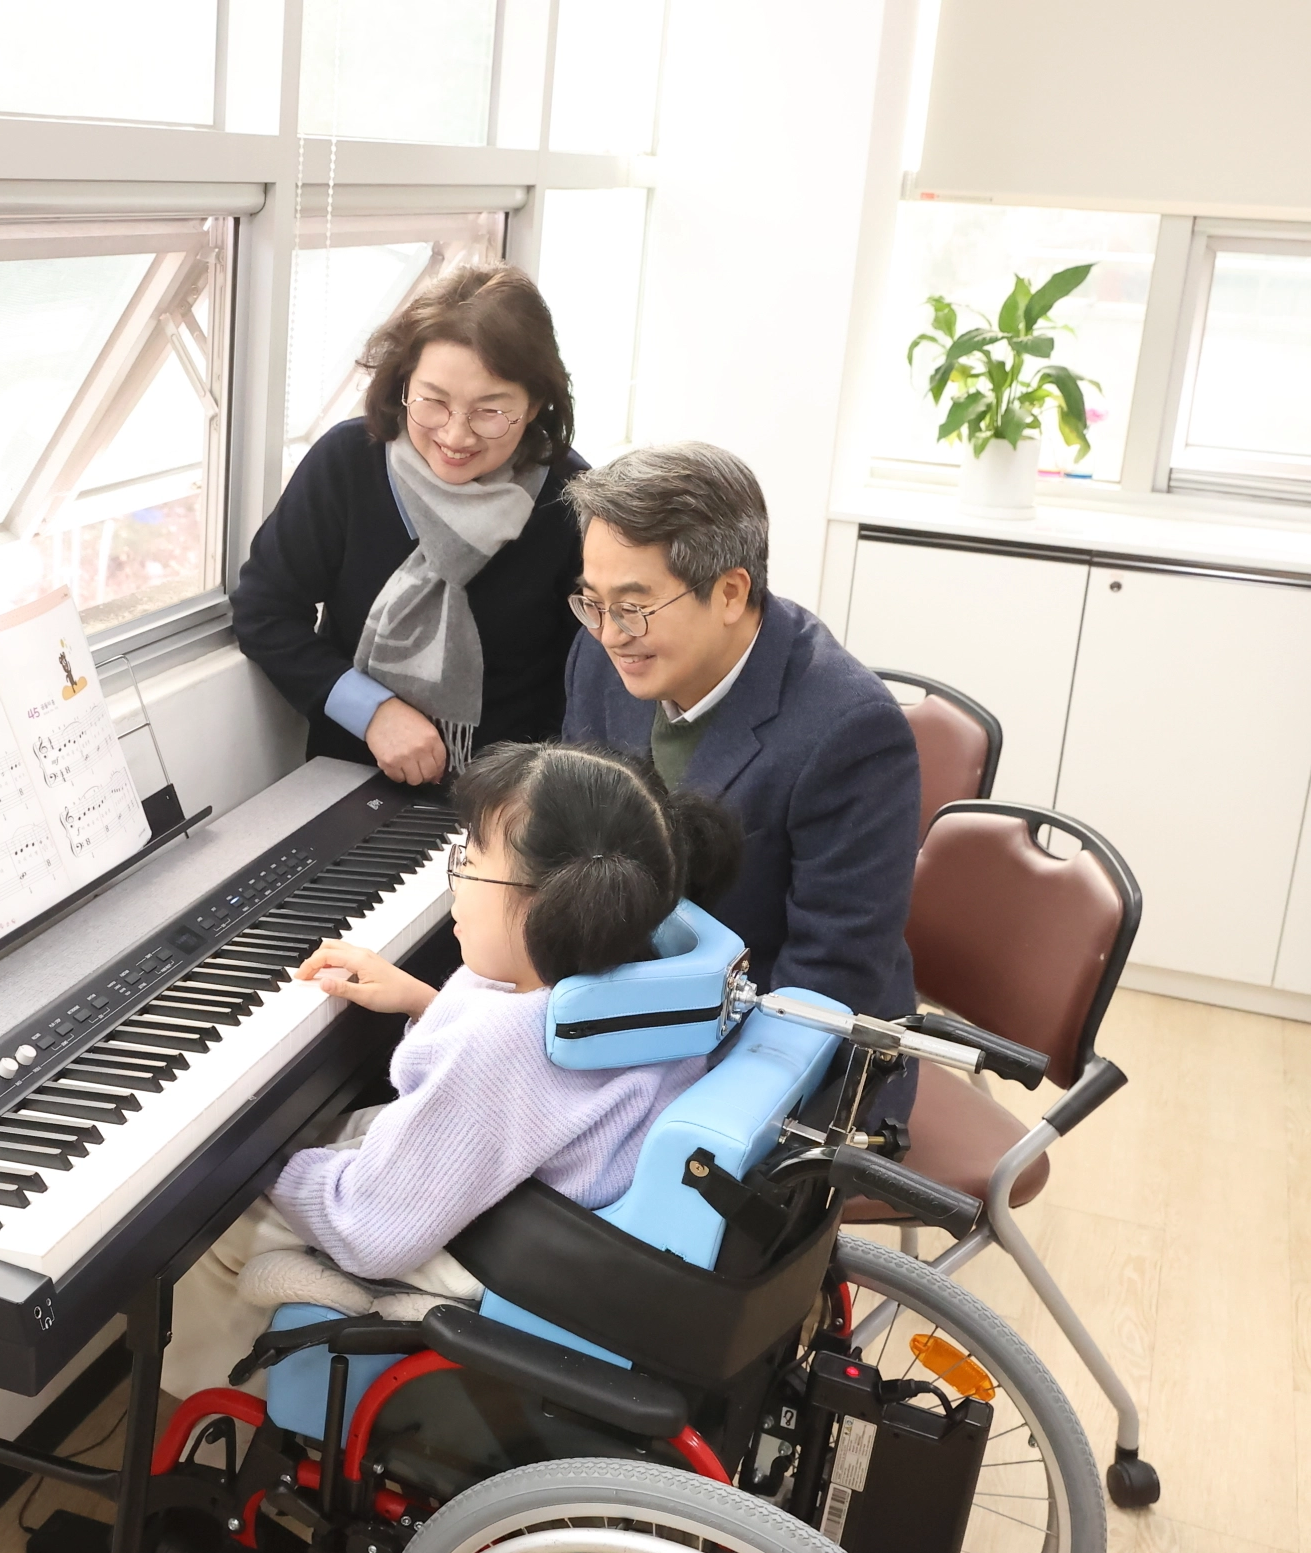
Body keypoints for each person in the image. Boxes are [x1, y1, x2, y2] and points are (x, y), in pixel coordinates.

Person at [160, 741, 743, 1393]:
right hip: (575, 1214)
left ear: (542, 903)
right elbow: (539, 1078)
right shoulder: (641, 982)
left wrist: (254, 1165)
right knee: (347, 1132)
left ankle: (215, 1415)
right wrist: (426, 1002)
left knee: (212, 1231)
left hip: (503, 1257)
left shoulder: (498, 1045)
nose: (455, 875)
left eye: (469, 859)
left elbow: (369, 1231)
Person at [559, 442, 921, 1016]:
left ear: (730, 593)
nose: (608, 633)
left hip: (766, 1040)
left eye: (634, 606)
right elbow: (570, 842)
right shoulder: (601, 656)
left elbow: (828, 981)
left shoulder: (851, 733)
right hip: (623, 1003)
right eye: (593, 603)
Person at [232, 266, 586, 786]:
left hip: (512, 797)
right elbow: (264, 610)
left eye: (490, 411)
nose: (456, 434)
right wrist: (371, 710)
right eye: (434, 401)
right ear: (402, 386)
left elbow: (588, 673)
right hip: (351, 776)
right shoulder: (347, 464)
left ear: (533, 405)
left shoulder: (570, 499)